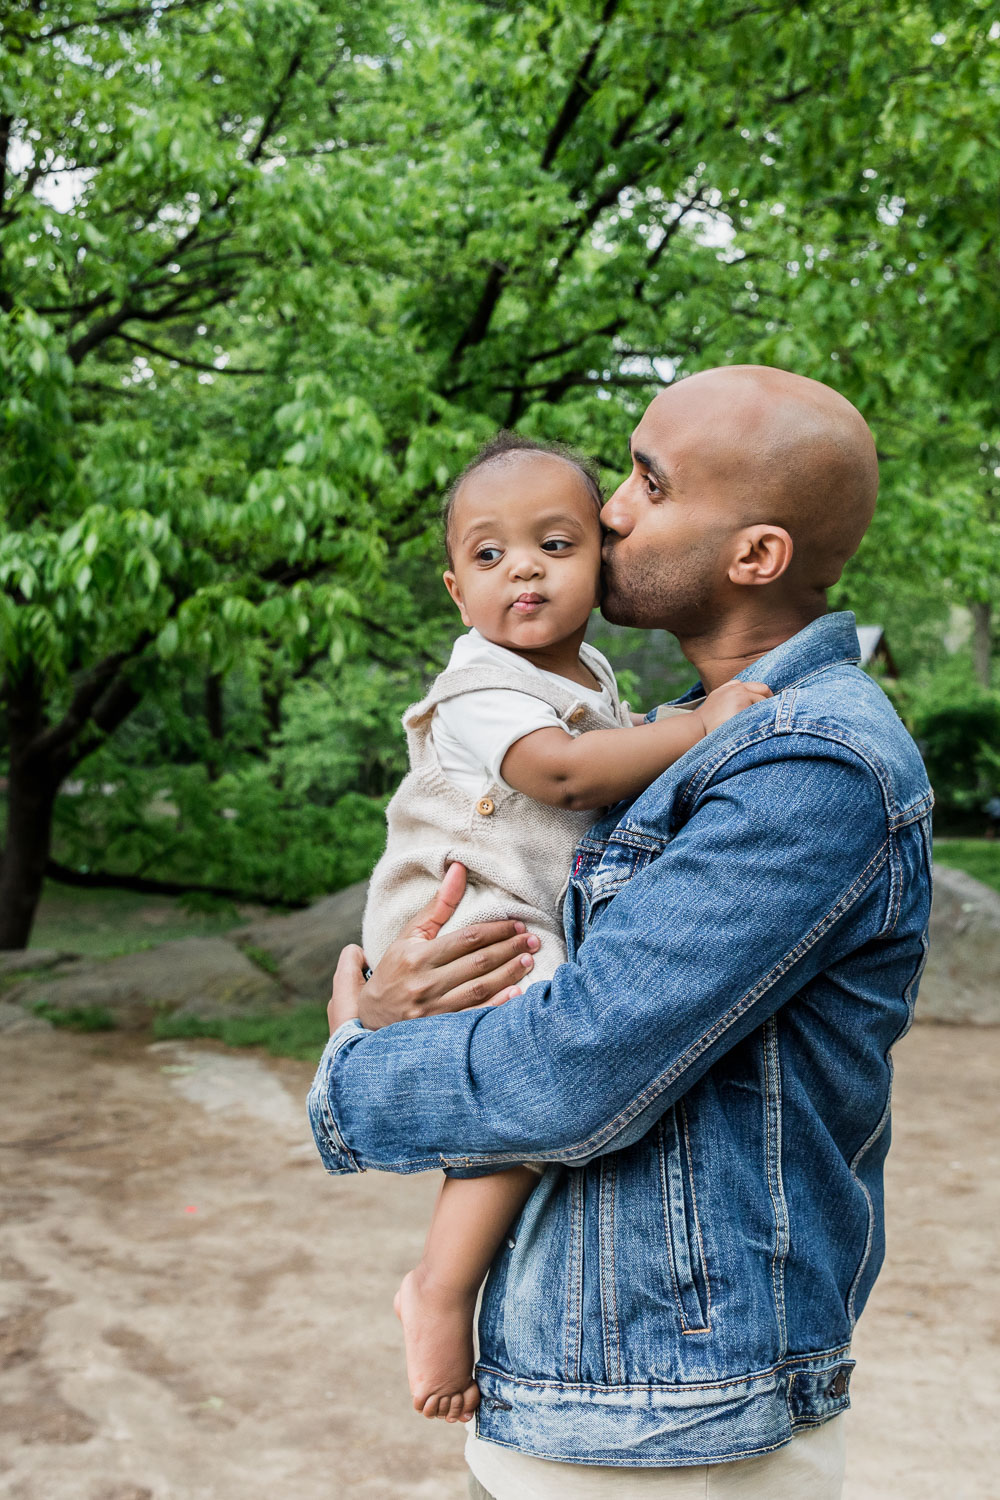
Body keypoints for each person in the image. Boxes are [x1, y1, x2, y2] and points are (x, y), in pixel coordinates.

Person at [308, 366, 933, 1500]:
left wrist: (361, 1064)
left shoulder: (808, 761)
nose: (608, 510)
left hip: (671, 1417)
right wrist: (406, 995)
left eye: (648, 482)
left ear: (754, 557)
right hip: (592, 1386)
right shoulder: (677, 740)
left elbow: (569, 1068)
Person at [362, 431, 769, 1423]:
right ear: (456, 590)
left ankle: (453, 1279)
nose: (523, 573)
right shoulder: (483, 687)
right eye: (489, 557)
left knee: (537, 1085)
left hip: (511, 910)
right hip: (463, 917)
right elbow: (563, 775)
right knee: (537, 1077)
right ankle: (441, 1287)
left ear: (599, 557)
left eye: (555, 545)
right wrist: (705, 726)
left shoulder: (584, 673)